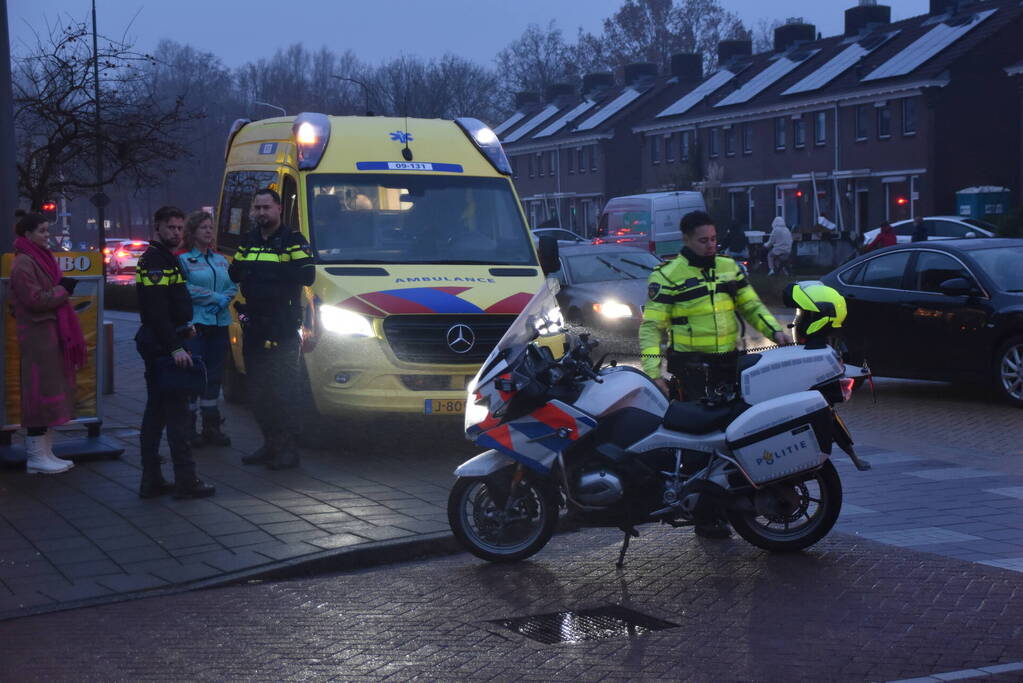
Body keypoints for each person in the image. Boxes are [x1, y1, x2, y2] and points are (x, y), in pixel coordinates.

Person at [639, 211, 788, 539]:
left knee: (733, 438)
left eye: (713, 239)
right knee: (697, 446)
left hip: (728, 365)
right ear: (686, 239)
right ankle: (705, 516)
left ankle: (730, 504)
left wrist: (776, 332)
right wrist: (653, 372)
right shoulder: (667, 276)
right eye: (703, 240)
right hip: (690, 370)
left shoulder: (728, 268)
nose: (710, 246)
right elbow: (652, 328)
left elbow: (751, 306)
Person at [229, 188, 315, 470]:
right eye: (257, 208)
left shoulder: (292, 240)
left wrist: (271, 272)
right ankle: (270, 444)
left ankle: (289, 450)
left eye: (267, 207)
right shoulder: (249, 239)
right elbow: (234, 272)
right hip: (254, 323)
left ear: (279, 209)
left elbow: (307, 274)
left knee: (285, 390)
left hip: (282, 326)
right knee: (258, 390)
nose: (261, 213)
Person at [135, 206, 215, 499]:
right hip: (163, 348)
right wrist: (176, 346)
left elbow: (167, 307)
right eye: (171, 227)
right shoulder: (156, 261)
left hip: (163, 342)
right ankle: (186, 481)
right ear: (158, 227)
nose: (177, 233)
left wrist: (185, 326)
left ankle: (152, 479)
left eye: (180, 228)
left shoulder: (164, 259)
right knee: (177, 416)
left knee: (156, 414)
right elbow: (156, 313)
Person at [9, 213, 86, 474]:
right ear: (27, 234)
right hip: (37, 336)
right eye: (42, 231)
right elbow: (34, 299)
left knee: (50, 393)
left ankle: (45, 452)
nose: (46, 235)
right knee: (39, 395)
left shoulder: (37, 258)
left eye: (46, 230)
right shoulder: (23, 263)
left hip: (48, 335)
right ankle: (36, 456)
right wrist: (63, 289)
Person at [179, 210, 236, 448]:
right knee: (194, 375)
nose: (209, 231)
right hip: (197, 325)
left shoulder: (221, 260)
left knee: (214, 376)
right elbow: (185, 288)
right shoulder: (184, 260)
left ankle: (211, 427)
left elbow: (233, 284)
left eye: (211, 227)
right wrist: (214, 298)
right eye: (204, 227)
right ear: (192, 232)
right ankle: (188, 429)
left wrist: (225, 299)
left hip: (219, 324)